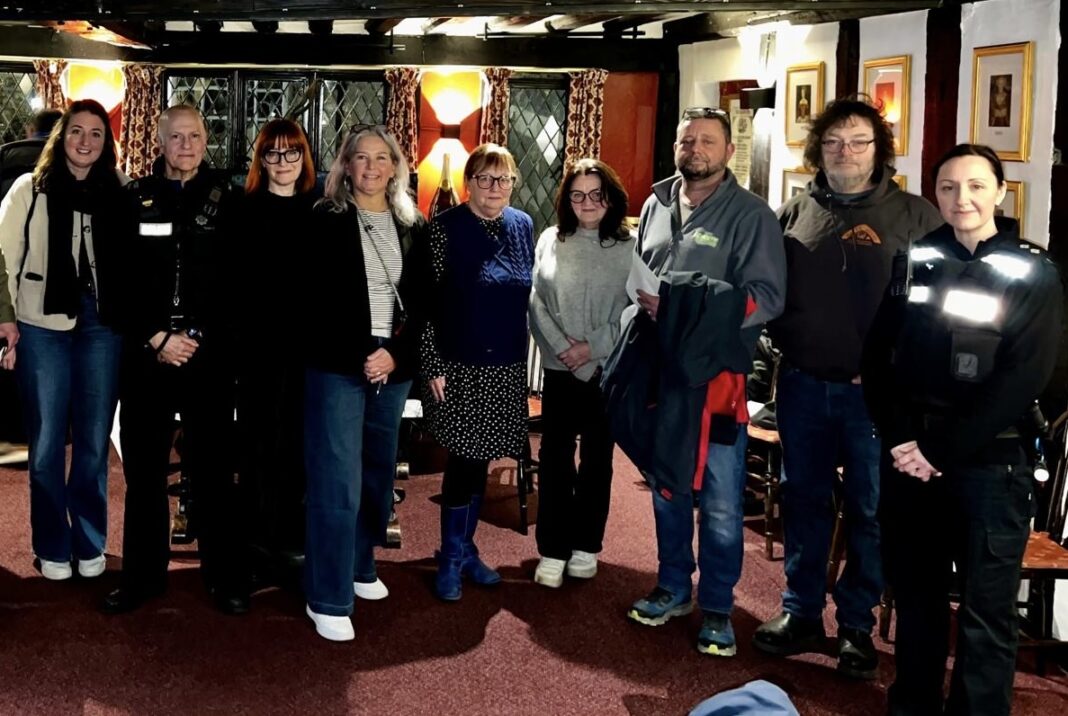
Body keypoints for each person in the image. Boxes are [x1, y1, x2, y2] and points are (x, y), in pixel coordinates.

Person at [862, 144, 1062, 715]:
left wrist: (936, 450)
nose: (962, 198)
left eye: (976, 186)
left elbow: (1024, 378)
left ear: (999, 191)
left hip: (990, 464)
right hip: (912, 459)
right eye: (948, 187)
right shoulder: (917, 257)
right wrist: (902, 438)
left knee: (985, 612)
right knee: (918, 599)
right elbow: (879, 357)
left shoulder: (1034, 269)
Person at [755, 97, 942, 679]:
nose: (846, 152)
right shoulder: (792, 214)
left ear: (879, 149)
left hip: (877, 400)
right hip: (803, 386)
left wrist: (895, 372)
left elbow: (936, 316)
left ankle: (856, 626)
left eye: (859, 141)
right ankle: (801, 612)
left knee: (870, 509)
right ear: (819, 150)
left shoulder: (916, 217)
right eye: (834, 141)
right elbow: (768, 295)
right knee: (803, 500)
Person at [623, 107, 786, 657]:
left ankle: (717, 606)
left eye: (707, 140)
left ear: (728, 151)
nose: (695, 148)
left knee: (719, 500)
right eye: (686, 139)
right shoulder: (656, 202)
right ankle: (673, 587)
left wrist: (683, 306)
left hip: (717, 381)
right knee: (666, 486)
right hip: (661, 373)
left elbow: (766, 297)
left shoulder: (752, 216)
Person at [101, 105, 247, 616]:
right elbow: (113, 283)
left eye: (195, 136)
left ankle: (222, 576)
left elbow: (239, 284)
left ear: (207, 140)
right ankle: (143, 578)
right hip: (147, 354)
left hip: (208, 356)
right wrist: (158, 337)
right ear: (159, 143)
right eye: (176, 137)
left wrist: (196, 336)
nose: (186, 145)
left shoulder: (230, 201)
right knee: (143, 474)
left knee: (212, 472)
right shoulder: (131, 200)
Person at [300, 126, 427, 642]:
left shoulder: (413, 224)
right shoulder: (324, 218)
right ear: (346, 166)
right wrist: (363, 355)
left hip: (391, 363)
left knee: (377, 472)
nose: (371, 167)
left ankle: (359, 564)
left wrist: (394, 354)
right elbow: (311, 302)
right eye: (361, 158)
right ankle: (327, 596)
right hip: (338, 365)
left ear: (395, 167)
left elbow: (425, 302)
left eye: (381, 158)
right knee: (337, 482)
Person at [0, 100, 127, 581]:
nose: (85, 141)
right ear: (61, 136)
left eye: (96, 133)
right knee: (47, 442)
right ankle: (51, 542)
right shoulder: (28, 188)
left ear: (106, 142)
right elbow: (1, 256)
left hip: (102, 325)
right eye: (77, 131)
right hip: (40, 323)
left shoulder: (119, 188)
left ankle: (90, 540)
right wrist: (6, 320)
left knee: (94, 441)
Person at [421, 143, 534, 602]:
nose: (494, 187)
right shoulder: (445, 228)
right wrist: (432, 363)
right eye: (485, 178)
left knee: (482, 461)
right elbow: (426, 301)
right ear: (469, 183)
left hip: (505, 364)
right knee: (463, 461)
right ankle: (450, 557)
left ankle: (466, 549)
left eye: (503, 179)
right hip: (459, 365)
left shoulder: (522, 225)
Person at [528, 158, 632, 588]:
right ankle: (553, 548)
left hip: (606, 370)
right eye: (577, 195)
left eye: (596, 194)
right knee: (554, 459)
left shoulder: (632, 246)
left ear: (611, 198)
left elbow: (634, 312)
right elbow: (535, 301)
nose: (587, 203)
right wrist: (564, 349)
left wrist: (591, 349)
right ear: (566, 200)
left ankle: (586, 544)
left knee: (597, 460)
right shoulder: (551, 239)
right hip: (559, 369)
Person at [236, 119, 318, 574]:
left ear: (304, 157)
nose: (283, 161)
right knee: (257, 446)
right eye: (273, 153)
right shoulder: (242, 210)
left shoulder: (321, 210)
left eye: (292, 152)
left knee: (298, 448)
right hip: (257, 350)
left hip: (307, 352)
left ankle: (290, 542)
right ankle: (254, 544)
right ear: (261, 160)